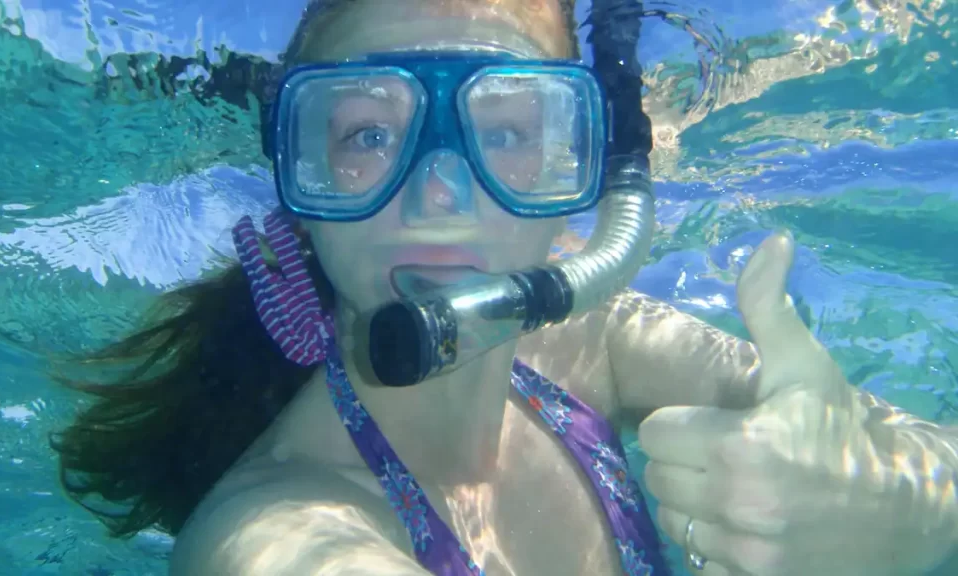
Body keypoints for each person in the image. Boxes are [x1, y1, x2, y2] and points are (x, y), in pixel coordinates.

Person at [50, 0, 958, 574]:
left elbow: (918, 454)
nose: (440, 193)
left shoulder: (590, 343)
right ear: (300, 182)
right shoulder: (277, 535)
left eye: (510, 130)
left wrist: (912, 504)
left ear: (581, 172)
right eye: (369, 135)